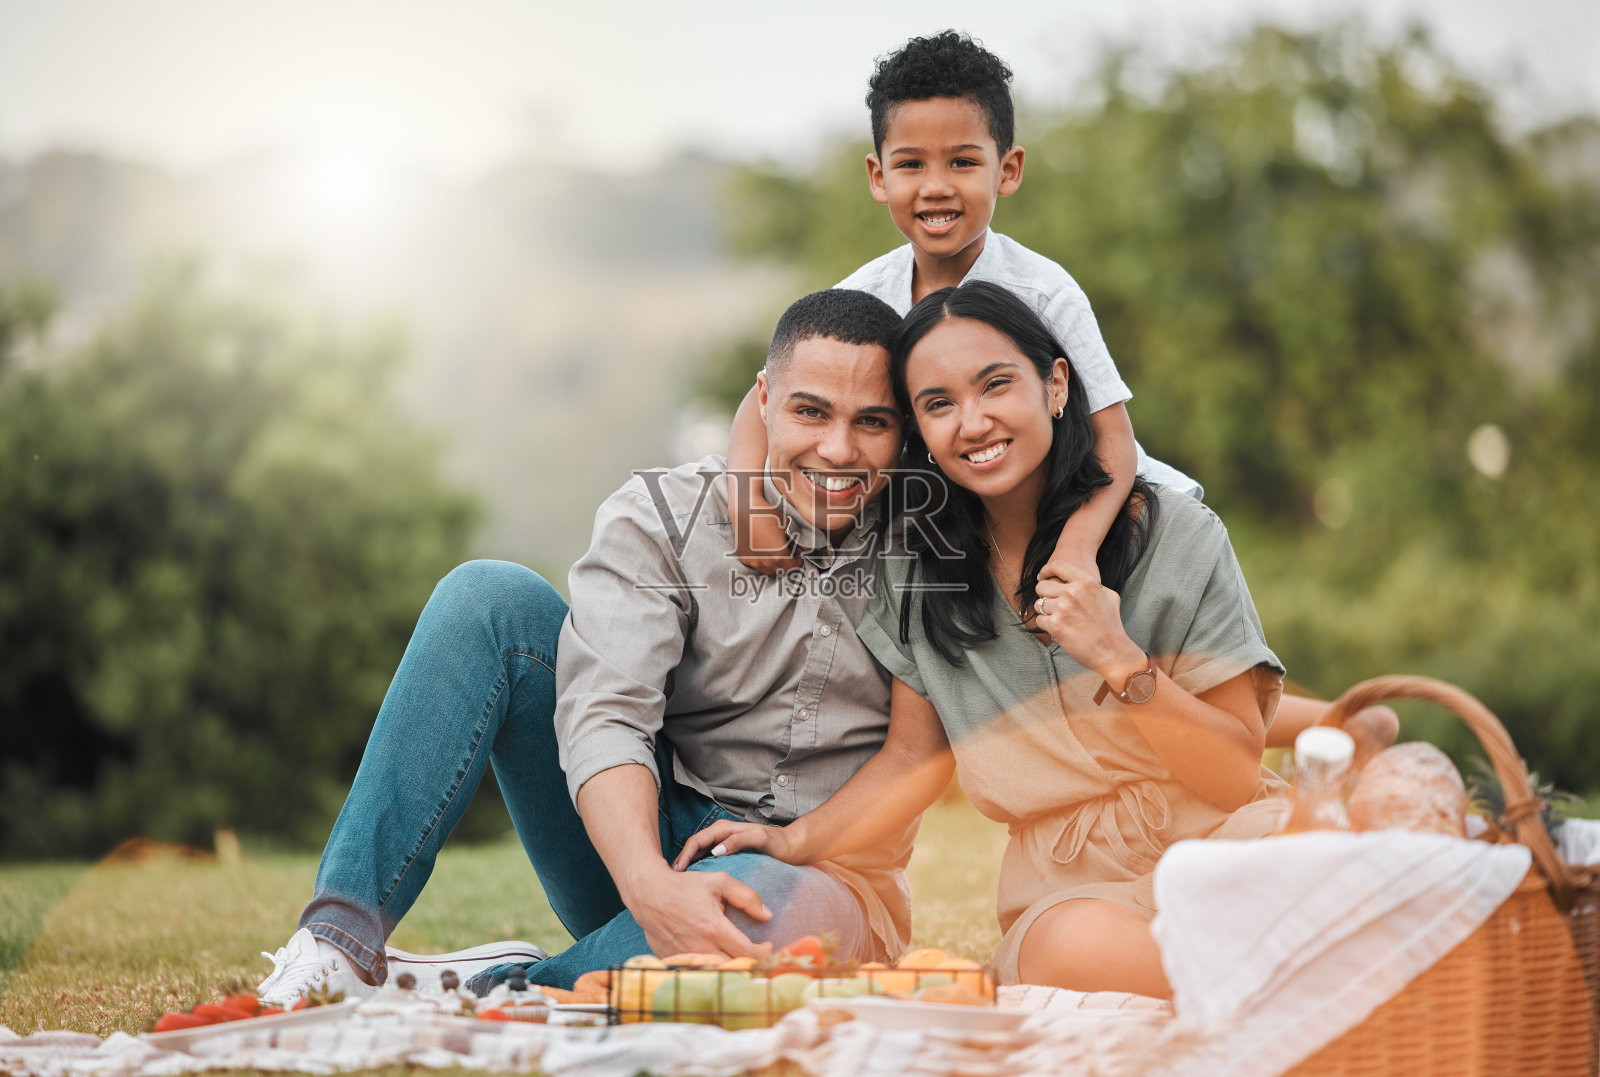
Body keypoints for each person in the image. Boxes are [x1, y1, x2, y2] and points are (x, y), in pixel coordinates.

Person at [255, 288, 915, 1004]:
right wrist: (648, 882)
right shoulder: (663, 518)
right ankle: (337, 946)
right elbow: (607, 714)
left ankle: (512, 990)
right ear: (763, 400)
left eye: (871, 422)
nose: (839, 449)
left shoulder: (931, 552)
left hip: (821, 876)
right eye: (810, 411)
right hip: (644, 838)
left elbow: (917, 756)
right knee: (488, 600)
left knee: (781, 906)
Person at [674, 282, 1323, 1000]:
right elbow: (914, 758)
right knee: (1069, 948)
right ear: (918, 428)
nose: (973, 422)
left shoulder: (1177, 535)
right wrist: (795, 841)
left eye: (995, 385)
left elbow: (1235, 773)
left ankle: (1270, 984)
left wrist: (1120, 659)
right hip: (1075, 890)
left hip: (1226, 842)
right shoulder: (916, 566)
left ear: (1054, 385)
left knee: (1313, 876)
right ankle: (1287, 990)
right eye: (938, 404)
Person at [723, 29, 1198, 598]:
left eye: (963, 162)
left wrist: (1077, 547)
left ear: (1008, 169)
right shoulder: (867, 294)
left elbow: (1113, 442)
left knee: (1163, 653)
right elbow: (766, 399)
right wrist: (747, 502)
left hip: (1097, 510)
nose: (937, 187)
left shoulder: (1045, 294)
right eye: (911, 165)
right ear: (879, 177)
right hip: (968, 518)